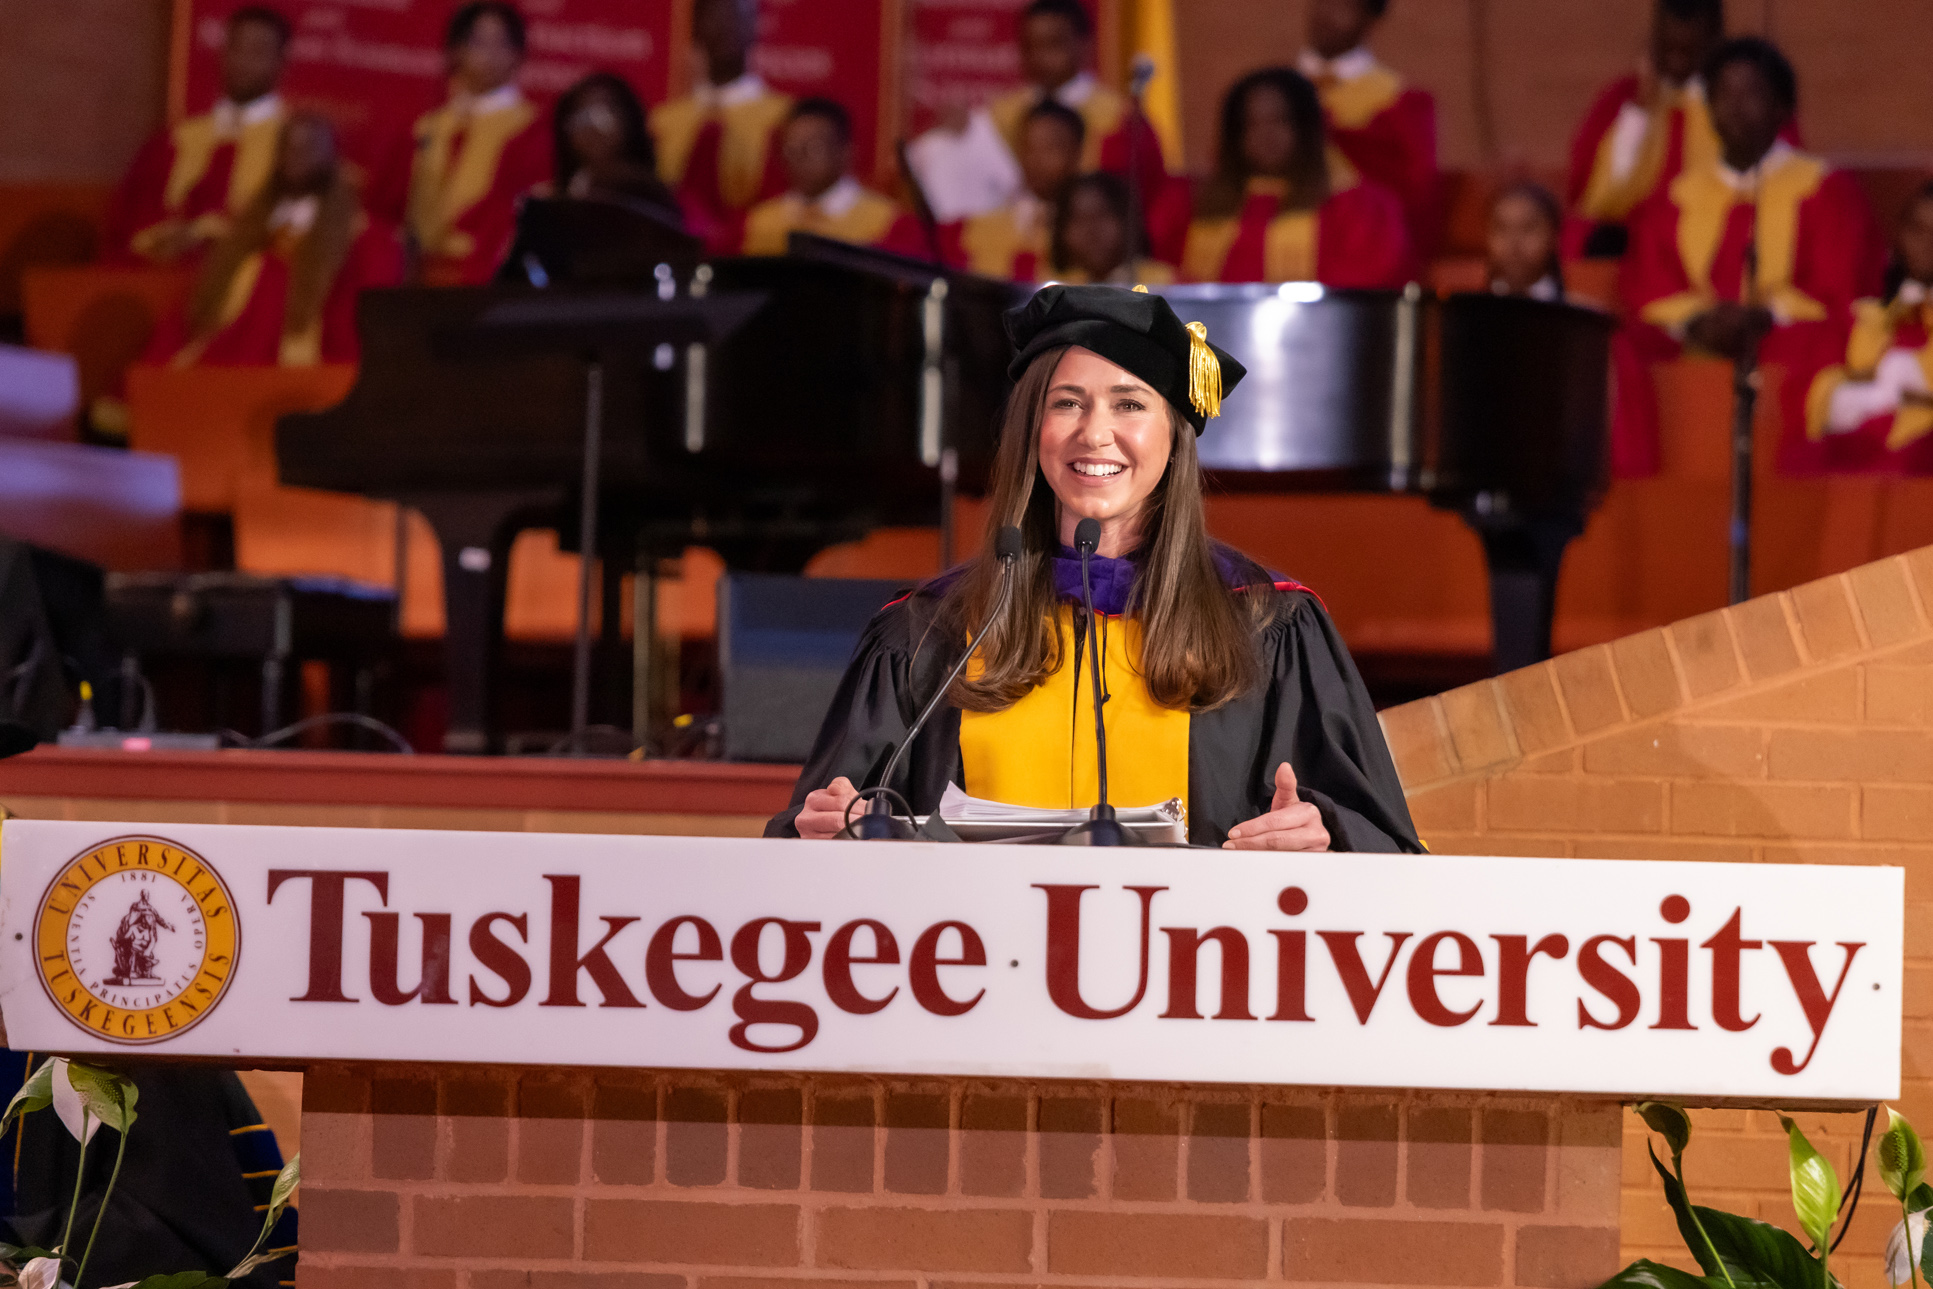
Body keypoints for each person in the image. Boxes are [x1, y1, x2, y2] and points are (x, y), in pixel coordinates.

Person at [768, 284, 1421, 852]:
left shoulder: (1267, 624)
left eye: (1129, 403)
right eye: (1067, 402)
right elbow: (813, 837)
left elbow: (1384, 848)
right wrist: (824, 830)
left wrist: (1323, 832)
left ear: (1173, 437)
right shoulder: (926, 635)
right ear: (1033, 430)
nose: (1094, 432)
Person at [1621, 37, 1884, 476]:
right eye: (1723, 94)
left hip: (1789, 343)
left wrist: (1762, 318)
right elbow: (1647, 287)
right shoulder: (1676, 198)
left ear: (1782, 108)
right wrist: (1699, 320)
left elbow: (1844, 289)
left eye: (1752, 93)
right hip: (1697, 343)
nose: (1736, 107)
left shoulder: (1826, 191)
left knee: (1834, 346)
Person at [145, 113, 402, 368]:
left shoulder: (358, 232)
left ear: (330, 157)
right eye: (289, 147)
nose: (297, 156)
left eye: (309, 147)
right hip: (237, 334)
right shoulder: (257, 216)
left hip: (302, 342)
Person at [1180, 68, 1409, 288]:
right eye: (1252, 123)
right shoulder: (1200, 207)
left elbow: (1367, 287)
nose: (1265, 134)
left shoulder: (1359, 209)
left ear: (1306, 127)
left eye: (1279, 120)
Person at [104, 7, 290, 266]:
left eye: (258, 51)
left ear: (281, 62)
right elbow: (131, 220)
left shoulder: (296, 144)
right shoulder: (174, 141)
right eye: (236, 47)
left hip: (246, 278)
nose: (244, 60)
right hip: (163, 272)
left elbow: (291, 227)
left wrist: (204, 233)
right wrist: (161, 238)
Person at [386, 2, 550, 286]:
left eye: (501, 43)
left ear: (517, 55)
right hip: (416, 277)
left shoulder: (533, 131)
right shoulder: (427, 127)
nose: (489, 54)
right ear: (456, 51)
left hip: (487, 279)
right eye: (478, 41)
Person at [988, 0, 1167, 209]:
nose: (1039, 57)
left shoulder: (1120, 118)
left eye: (1054, 44)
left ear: (1084, 44)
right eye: (1030, 46)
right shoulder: (999, 115)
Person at [1805, 182, 1933, 473]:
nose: (1928, 244)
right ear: (1900, 236)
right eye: (1918, 230)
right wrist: (1872, 394)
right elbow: (1819, 386)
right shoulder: (1860, 318)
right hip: (1857, 456)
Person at [1297, 0, 1438, 260]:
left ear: (1369, 18)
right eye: (1320, 3)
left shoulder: (1401, 101)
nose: (1326, 16)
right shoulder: (1272, 95)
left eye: (1342, 7)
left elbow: (1418, 197)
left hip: (1359, 247)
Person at [649, 0, 792, 253]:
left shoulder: (785, 119)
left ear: (754, 27)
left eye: (737, 17)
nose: (726, 27)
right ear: (696, 28)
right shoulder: (661, 123)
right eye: (715, 17)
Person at [739, 99, 925, 257]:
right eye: (791, 149)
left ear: (845, 153)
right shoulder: (759, 223)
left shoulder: (887, 223)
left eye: (814, 148)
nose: (800, 158)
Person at [948, 101, 1084, 281]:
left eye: (1050, 148)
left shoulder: (1091, 229)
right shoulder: (989, 225)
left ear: (1078, 154)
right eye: (1028, 147)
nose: (1036, 160)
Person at [543, 72, 680, 215]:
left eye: (603, 114)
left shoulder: (656, 199)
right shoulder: (553, 199)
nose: (593, 129)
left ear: (629, 122)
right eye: (581, 117)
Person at [1050, 172, 1174, 286]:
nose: (1092, 230)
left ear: (1127, 222)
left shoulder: (1166, 284)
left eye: (1103, 215)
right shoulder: (1056, 290)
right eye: (1079, 219)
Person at [1486, 181, 1564, 300]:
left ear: (1554, 238)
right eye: (1502, 228)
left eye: (1528, 228)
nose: (1513, 242)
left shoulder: (1581, 314)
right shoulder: (1465, 314)